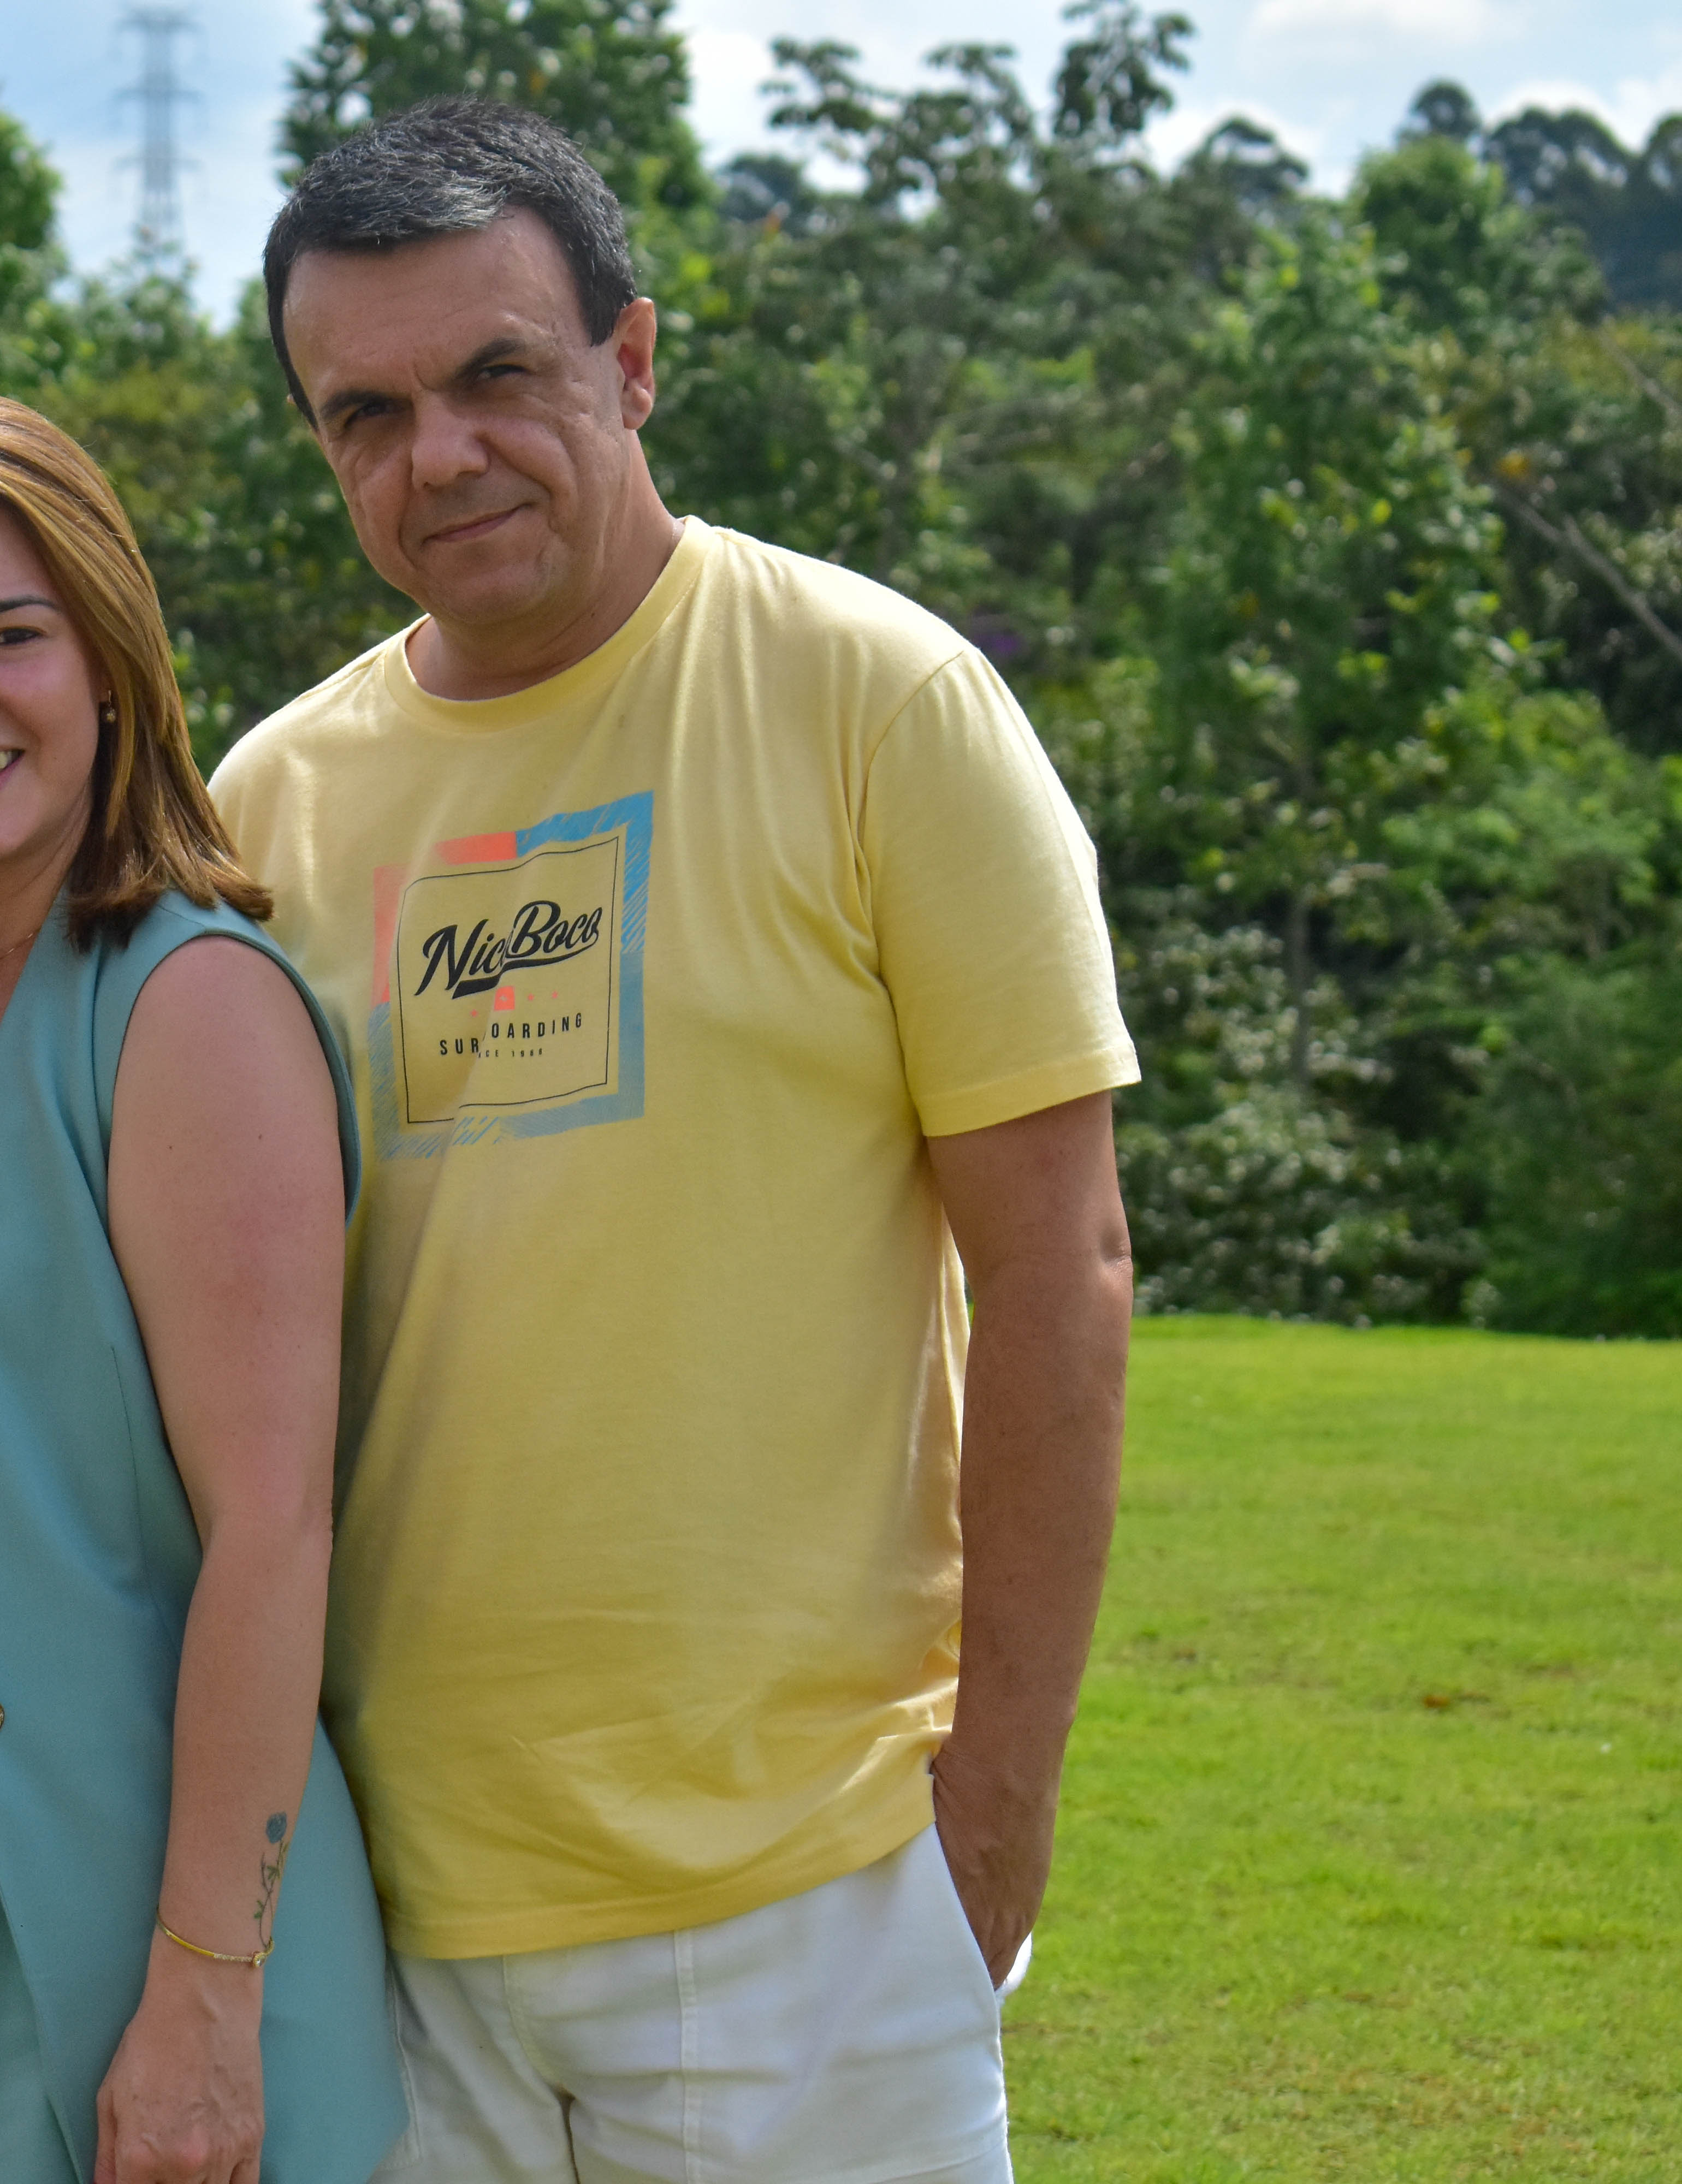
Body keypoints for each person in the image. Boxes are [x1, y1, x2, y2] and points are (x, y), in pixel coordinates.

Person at [207, 103, 1142, 2184]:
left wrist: (993, 1817)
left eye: (497, 374)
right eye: (367, 413)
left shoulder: (879, 702)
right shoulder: (267, 808)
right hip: (389, 1909)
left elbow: (1061, 1268)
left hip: (811, 1888)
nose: (440, 454)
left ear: (631, 362)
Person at [0, 388, 402, 2184]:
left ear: (108, 661)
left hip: (82, 1869)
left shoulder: (186, 1000)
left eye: (10, 636)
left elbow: (271, 1528)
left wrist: (205, 1988)